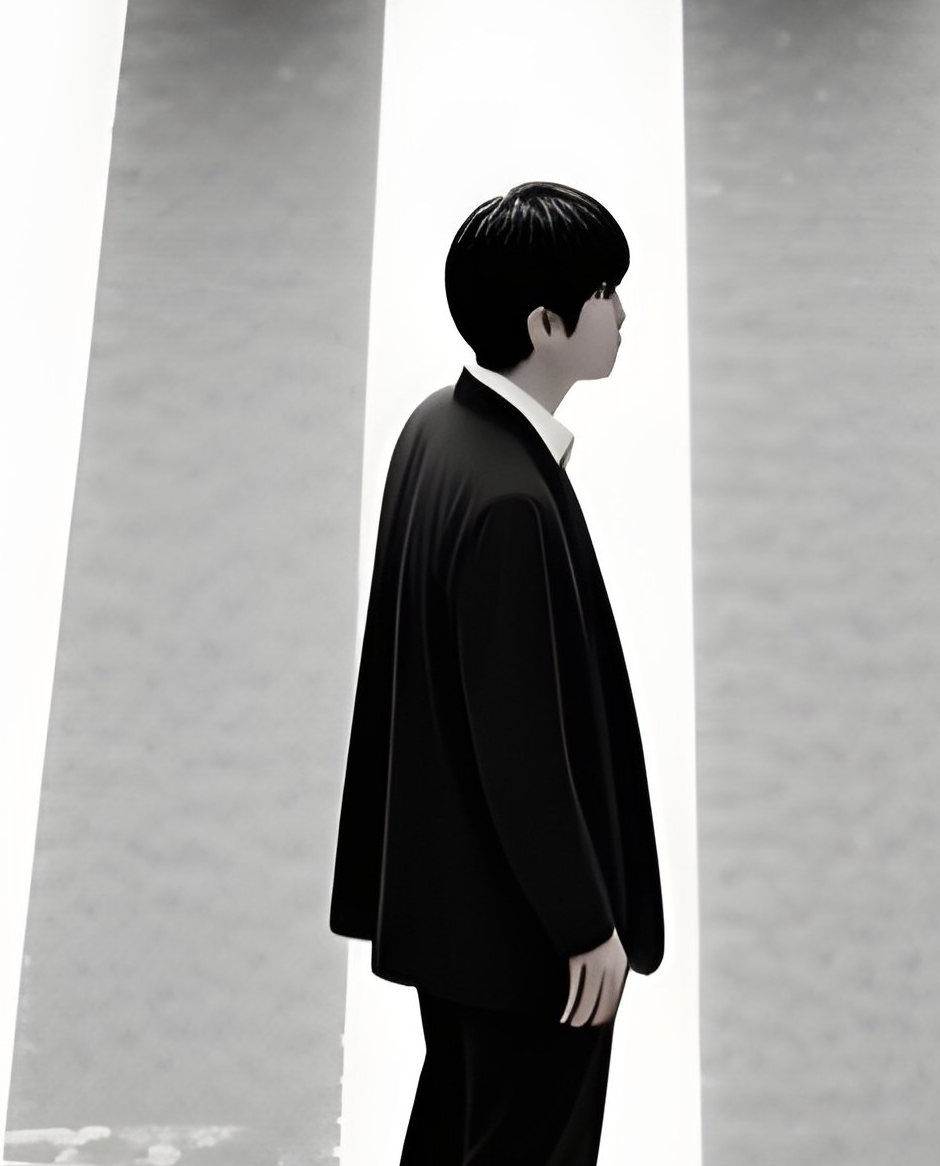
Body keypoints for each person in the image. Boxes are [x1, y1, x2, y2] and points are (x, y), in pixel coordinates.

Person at [331, 183, 663, 1164]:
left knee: (458, 1130)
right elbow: (521, 749)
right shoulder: (511, 503)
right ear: (546, 323)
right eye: (606, 292)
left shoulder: (436, 429)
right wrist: (584, 925)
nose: (621, 313)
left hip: (455, 910)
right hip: (526, 938)